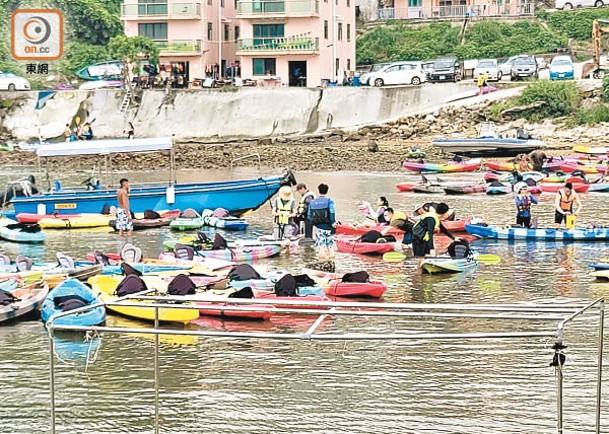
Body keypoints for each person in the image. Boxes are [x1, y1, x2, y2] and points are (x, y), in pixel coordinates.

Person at [411, 202, 457, 272]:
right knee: (421, 257)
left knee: (426, 255)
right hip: (418, 237)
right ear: (444, 213)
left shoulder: (436, 216)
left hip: (423, 237)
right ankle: (418, 274)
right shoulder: (431, 219)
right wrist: (431, 248)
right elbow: (430, 234)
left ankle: (423, 271)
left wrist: (453, 238)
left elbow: (442, 228)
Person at [307, 183, 338, 271]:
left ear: (319, 190)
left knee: (321, 246)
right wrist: (333, 222)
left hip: (319, 227)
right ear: (327, 191)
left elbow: (309, 216)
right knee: (330, 246)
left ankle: (322, 266)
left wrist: (316, 224)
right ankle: (332, 264)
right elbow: (332, 212)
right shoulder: (329, 201)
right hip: (329, 227)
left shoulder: (312, 202)